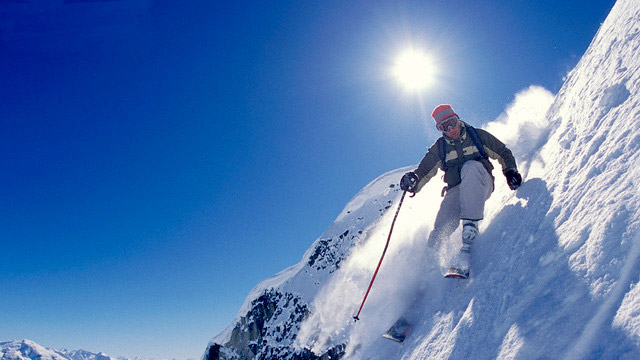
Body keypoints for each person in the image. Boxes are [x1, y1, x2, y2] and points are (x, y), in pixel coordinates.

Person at [399, 104, 522, 279]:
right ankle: (426, 271)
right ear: (440, 129)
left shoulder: (476, 136)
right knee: (441, 225)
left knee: (470, 167)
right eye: (444, 127)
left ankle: (469, 235)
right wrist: (414, 180)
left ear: (458, 119)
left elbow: (503, 151)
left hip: (481, 182)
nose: (451, 129)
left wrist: (510, 171)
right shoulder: (440, 148)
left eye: (452, 122)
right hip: (456, 190)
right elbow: (424, 171)